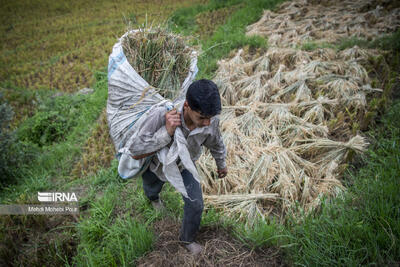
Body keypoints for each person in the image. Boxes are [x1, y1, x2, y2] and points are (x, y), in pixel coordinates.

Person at [129, 79, 228, 255]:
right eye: (202, 117)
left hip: (184, 165)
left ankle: (187, 239)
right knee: (152, 187)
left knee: (196, 204)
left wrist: (221, 164)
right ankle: (154, 199)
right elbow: (136, 150)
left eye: (210, 118)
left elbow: (216, 143)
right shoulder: (161, 115)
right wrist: (167, 132)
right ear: (187, 106)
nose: (207, 123)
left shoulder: (211, 121)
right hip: (157, 165)